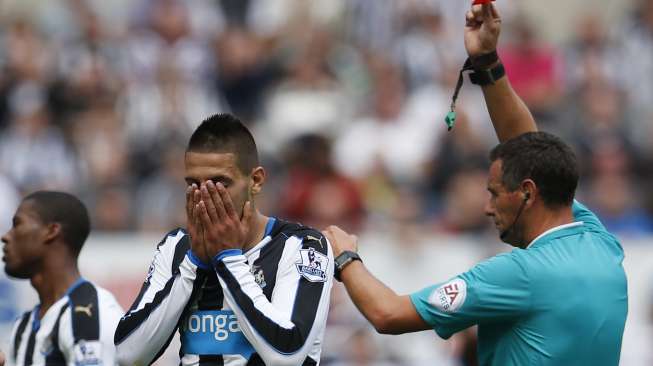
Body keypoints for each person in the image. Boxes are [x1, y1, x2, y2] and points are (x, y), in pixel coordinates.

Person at [322, 3, 627, 366]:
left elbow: (388, 315)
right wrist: (487, 63)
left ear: (528, 193)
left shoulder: (517, 275)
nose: (486, 207)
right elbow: (529, 149)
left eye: (495, 194)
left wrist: (345, 256)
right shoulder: (599, 242)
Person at [114, 114, 334, 366]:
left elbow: (286, 356)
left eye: (220, 183)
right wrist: (193, 263)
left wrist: (229, 258)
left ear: (256, 181)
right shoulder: (177, 247)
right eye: (194, 184)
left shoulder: (303, 246)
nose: (205, 196)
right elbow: (128, 354)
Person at [1, 191, 123, 366]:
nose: (5, 236)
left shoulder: (89, 315)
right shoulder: (23, 327)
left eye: (17, 224)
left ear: (51, 231)